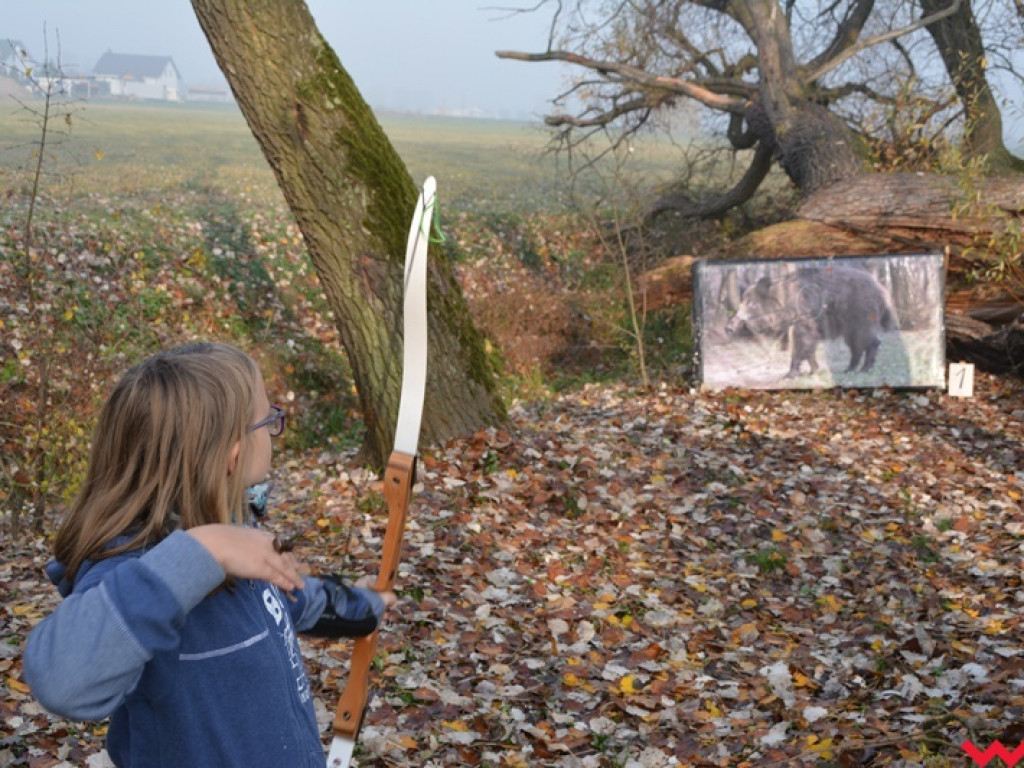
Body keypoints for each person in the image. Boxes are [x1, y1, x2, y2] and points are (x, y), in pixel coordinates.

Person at [23, 342, 396, 768]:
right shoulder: (137, 569)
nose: (275, 427)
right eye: (269, 420)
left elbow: (293, 598)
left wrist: (365, 606)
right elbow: (63, 680)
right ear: (232, 455)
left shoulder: (236, 539)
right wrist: (203, 551)